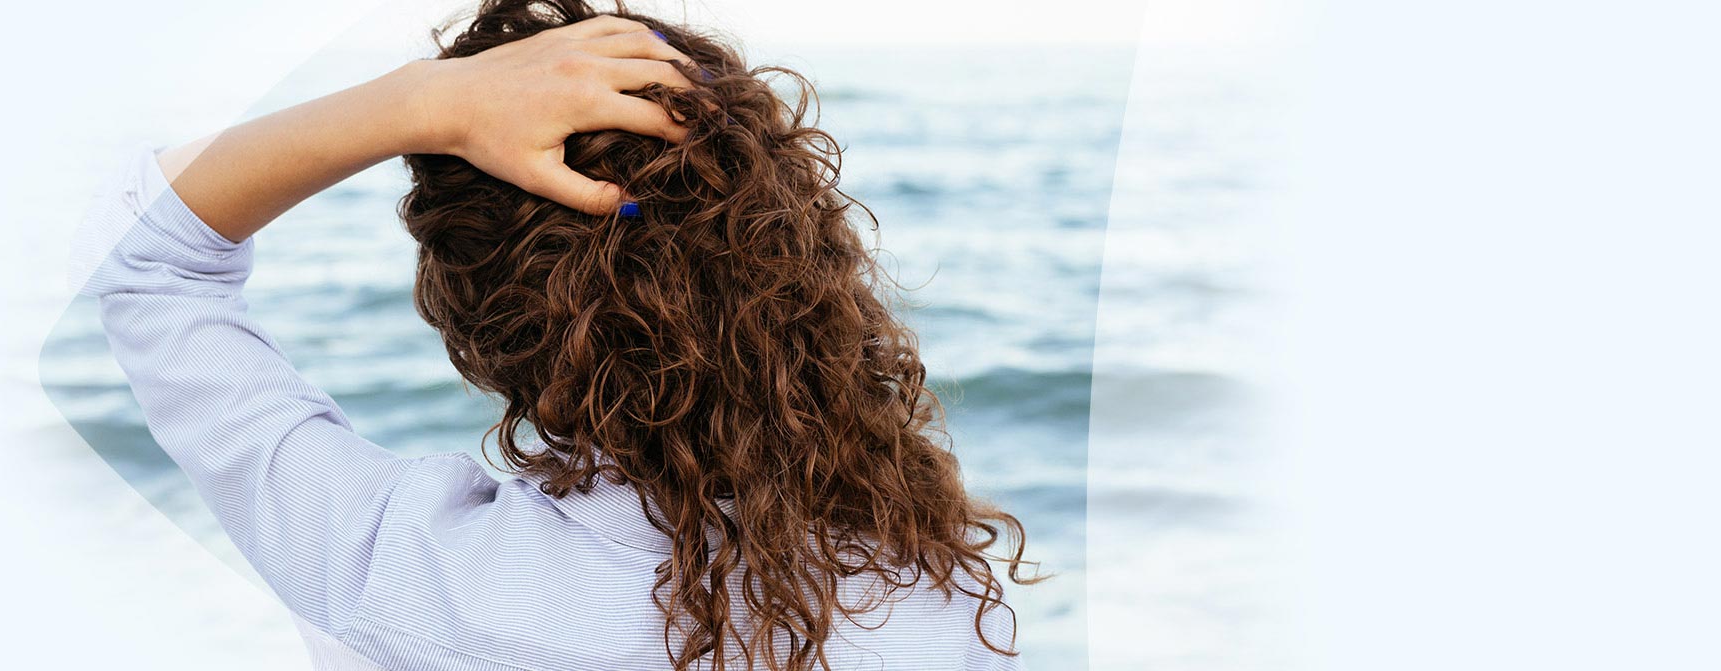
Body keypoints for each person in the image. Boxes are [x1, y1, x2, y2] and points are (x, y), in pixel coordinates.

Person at [82, 1, 1039, 668]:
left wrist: (423, 102)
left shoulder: (400, 572)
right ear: (792, 262)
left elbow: (146, 254)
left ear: (481, 326)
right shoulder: (933, 596)